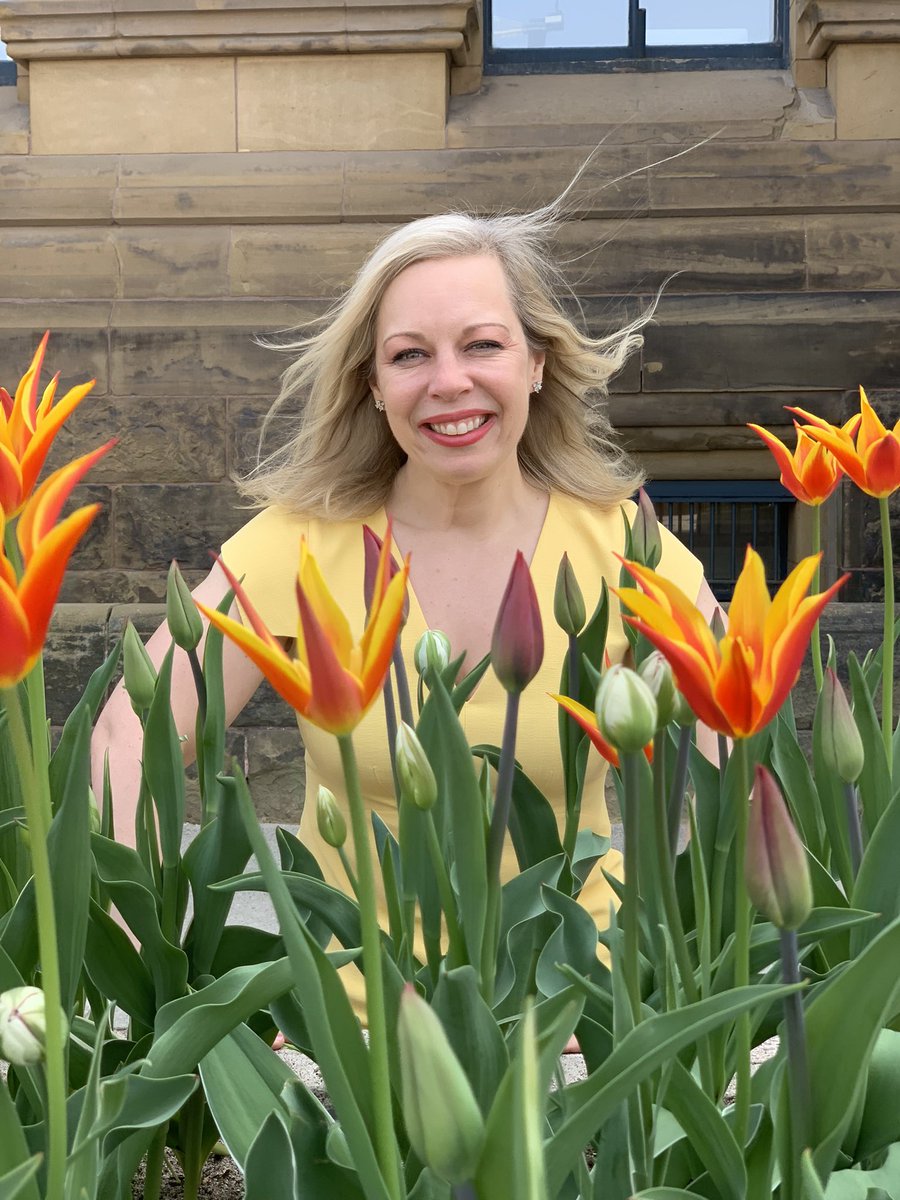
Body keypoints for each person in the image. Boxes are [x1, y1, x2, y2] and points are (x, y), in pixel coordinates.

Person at [91, 204, 720, 1014]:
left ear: (536, 362)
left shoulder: (622, 544)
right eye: (409, 355)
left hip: (577, 1006)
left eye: (483, 344)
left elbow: (741, 748)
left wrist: (676, 963)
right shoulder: (301, 542)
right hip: (357, 1027)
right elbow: (124, 738)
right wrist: (154, 970)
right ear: (375, 387)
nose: (448, 381)